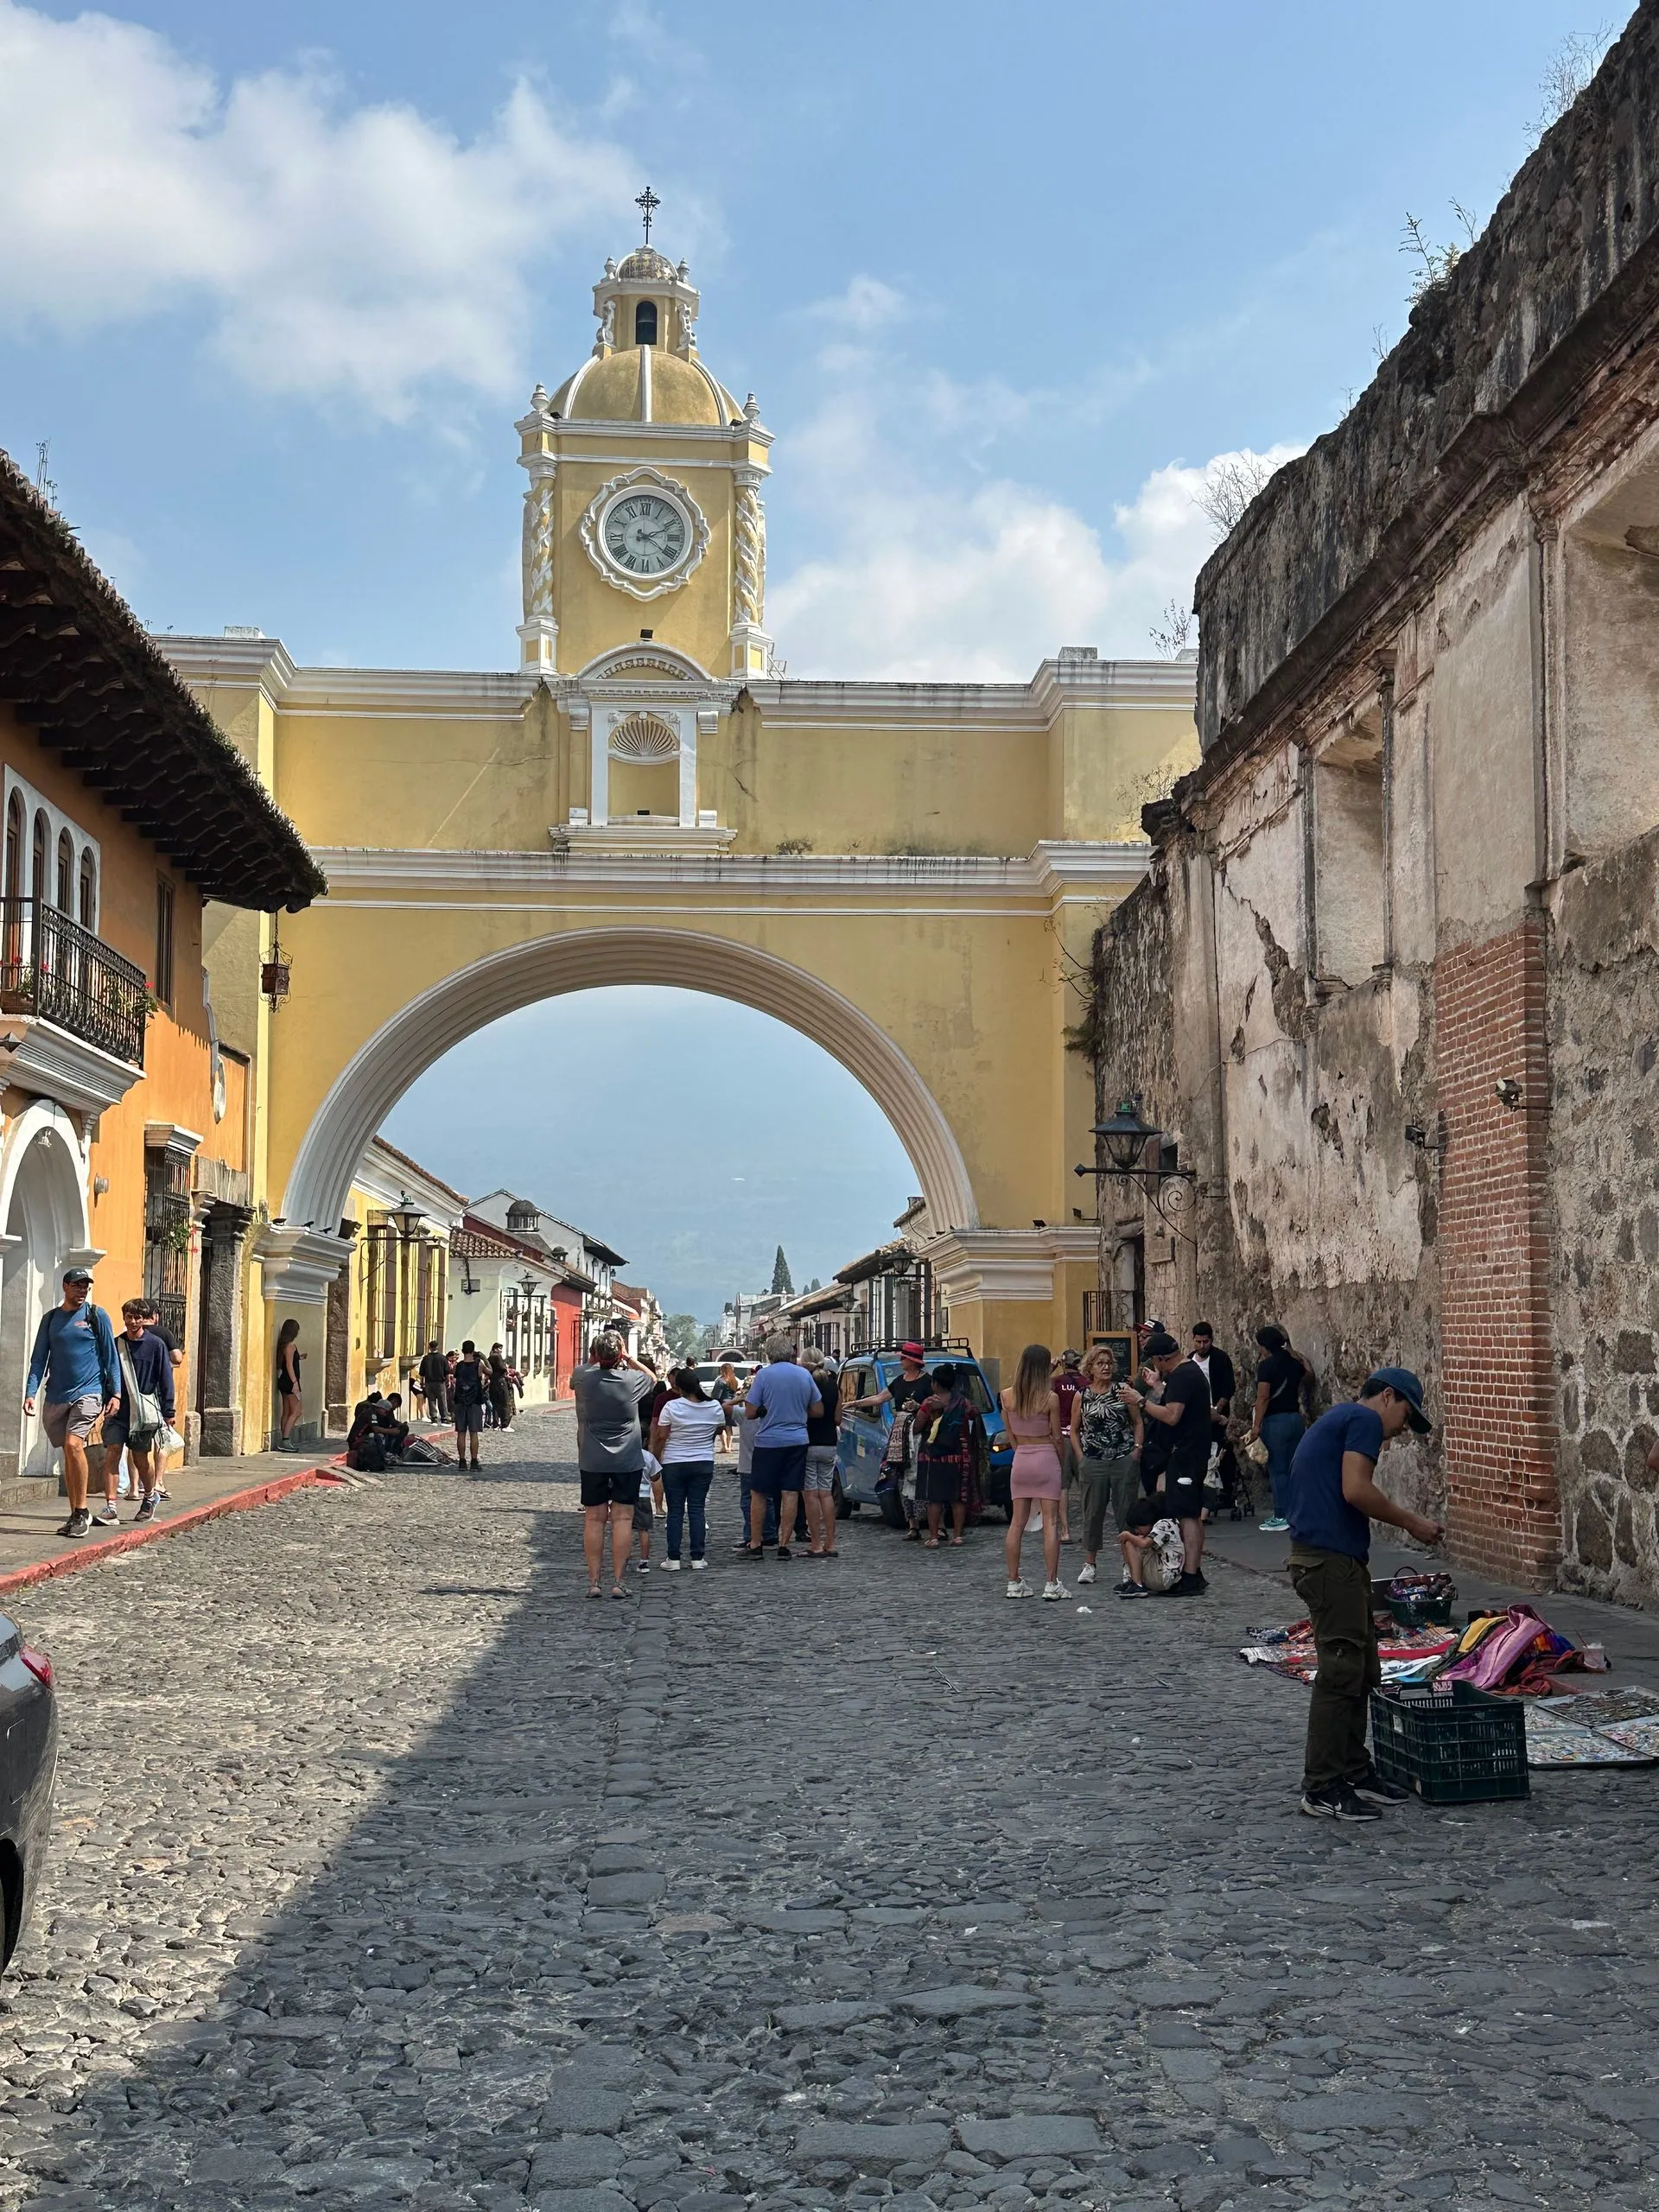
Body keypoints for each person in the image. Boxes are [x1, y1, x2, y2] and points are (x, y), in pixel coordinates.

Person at [1287, 1367, 1444, 1821]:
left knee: (1361, 1669)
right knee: (1341, 1672)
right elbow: (1355, 1489)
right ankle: (1322, 1786)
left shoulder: (1341, 1420)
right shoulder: (1363, 1419)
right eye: (1406, 1417)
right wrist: (1411, 1522)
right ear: (1388, 1396)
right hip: (1327, 1561)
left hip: (1334, 1560)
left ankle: (1354, 1770)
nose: (1402, 1430)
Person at [24, 1267, 120, 1541]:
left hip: (89, 1392)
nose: (82, 1290)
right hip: (57, 1395)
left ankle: (81, 1511)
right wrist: (31, 1392)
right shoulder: (51, 1319)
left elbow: (111, 1356)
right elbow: (38, 1359)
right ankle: (76, 1514)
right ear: (65, 1286)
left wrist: (116, 1393)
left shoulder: (96, 1315)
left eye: (85, 1286)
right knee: (68, 1452)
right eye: (77, 1285)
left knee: (73, 1444)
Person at [1118, 1330, 1211, 1596]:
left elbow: (1172, 1415)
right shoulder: (1188, 1372)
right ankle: (1194, 1573)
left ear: (1161, 1358)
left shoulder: (1182, 1376)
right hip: (1191, 1451)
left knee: (1187, 1515)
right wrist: (1158, 1387)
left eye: (1154, 1361)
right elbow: (1179, 1404)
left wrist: (1140, 1401)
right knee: (1189, 1512)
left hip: (1187, 1452)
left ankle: (1190, 1576)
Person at [571, 1332, 656, 1598]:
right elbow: (652, 1378)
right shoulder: (631, 1380)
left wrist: (595, 1357)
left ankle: (594, 1583)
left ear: (595, 1354)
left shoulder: (583, 1378)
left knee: (594, 1520)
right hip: (627, 1460)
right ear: (619, 1354)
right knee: (623, 1519)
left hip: (592, 1459)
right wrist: (628, 1357)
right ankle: (619, 1582)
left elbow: (583, 1370)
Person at [740, 1334, 820, 1560]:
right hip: (797, 1440)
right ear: (791, 1352)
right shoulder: (804, 1374)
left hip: (768, 1441)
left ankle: (756, 1544)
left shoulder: (764, 1375)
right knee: (790, 1492)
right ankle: (784, 1545)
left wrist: (765, 1410)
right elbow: (818, 1410)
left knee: (759, 1492)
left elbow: (750, 1411)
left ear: (769, 1354)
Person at [847, 1340, 935, 1538]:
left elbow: (936, 1407)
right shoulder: (899, 1381)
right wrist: (854, 1403)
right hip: (901, 1438)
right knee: (902, 1478)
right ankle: (913, 1525)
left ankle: (933, 1525)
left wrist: (919, 1407)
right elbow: (879, 1398)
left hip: (921, 1437)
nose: (901, 1360)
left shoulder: (928, 1382)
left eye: (903, 1358)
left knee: (921, 1478)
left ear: (913, 1361)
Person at [1001, 1344, 1068, 1600]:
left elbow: (1010, 1435)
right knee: (1051, 1522)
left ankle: (1013, 1581)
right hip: (1045, 1456)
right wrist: (1060, 1459)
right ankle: (1051, 1583)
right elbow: (1057, 1436)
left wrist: (1021, 1451)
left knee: (1017, 1522)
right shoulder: (1050, 1398)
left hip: (1022, 1458)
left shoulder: (1006, 1396)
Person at [1071, 1345, 1141, 1584]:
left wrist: (1136, 1451)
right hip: (1093, 1460)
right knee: (1092, 1512)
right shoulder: (1082, 1395)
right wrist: (1080, 1457)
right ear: (1090, 1368)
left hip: (1123, 1458)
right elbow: (1074, 1429)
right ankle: (1090, 1563)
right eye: (1100, 1363)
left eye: (1109, 1363)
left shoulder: (1123, 1391)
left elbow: (1137, 1422)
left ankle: (1128, 1563)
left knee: (1126, 1512)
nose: (1106, 1367)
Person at [650, 1365, 728, 1570]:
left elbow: (661, 1436)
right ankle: (697, 1558)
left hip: (674, 1462)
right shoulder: (714, 1406)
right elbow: (719, 1429)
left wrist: (655, 1458)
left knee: (675, 1511)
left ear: (678, 1388)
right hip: (703, 1461)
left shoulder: (671, 1407)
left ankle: (673, 1558)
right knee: (697, 1509)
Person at [106, 1297, 175, 1526]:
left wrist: (169, 1410)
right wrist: (107, 1399)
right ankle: (110, 1507)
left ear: (144, 1319)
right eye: (129, 1317)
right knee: (113, 1452)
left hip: (143, 1413)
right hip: (118, 1411)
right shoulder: (117, 1344)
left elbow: (165, 1378)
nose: (133, 1322)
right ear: (124, 1318)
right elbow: (108, 1375)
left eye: (137, 1317)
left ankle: (150, 1496)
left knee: (140, 1458)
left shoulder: (156, 1345)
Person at [914, 1359, 982, 1549]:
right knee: (957, 1498)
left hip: (933, 1456)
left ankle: (933, 1537)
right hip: (958, 1455)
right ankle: (958, 1536)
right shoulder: (963, 1402)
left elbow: (917, 1426)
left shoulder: (929, 1403)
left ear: (935, 1384)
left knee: (934, 1498)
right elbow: (973, 1417)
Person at [1250, 1324, 1310, 1533]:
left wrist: (1256, 1426)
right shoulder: (1293, 1363)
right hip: (1295, 1419)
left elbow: (1263, 1397)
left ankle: (1281, 1514)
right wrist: (1296, 1353)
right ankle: (1298, 1512)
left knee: (1278, 1470)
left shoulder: (1266, 1366)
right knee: (1294, 1468)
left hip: (1276, 1422)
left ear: (1264, 1346)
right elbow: (1309, 1376)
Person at [1189, 1322, 1238, 1513]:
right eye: (1198, 1342)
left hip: (1216, 1415)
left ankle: (1226, 1492)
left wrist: (1217, 1409)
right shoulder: (1189, 1361)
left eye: (1205, 1342)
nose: (1202, 1346)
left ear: (1211, 1340)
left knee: (1222, 1453)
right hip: (1195, 1417)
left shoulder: (1220, 1359)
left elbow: (1229, 1387)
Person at [799, 1348, 842, 1558]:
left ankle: (815, 1543)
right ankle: (831, 1543)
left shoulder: (805, 1383)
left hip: (808, 1442)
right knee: (826, 1493)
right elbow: (838, 1419)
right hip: (829, 1443)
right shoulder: (834, 1384)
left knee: (811, 1494)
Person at [1115, 1492, 1186, 1597]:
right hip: (1167, 1575)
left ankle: (1136, 1584)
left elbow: (1145, 1544)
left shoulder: (1164, 1525)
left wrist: (1128, 1536)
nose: (1137, 1531)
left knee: (1130, 1542)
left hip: (1164, 1577)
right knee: (1132, 1541)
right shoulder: (1170, 1523)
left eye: (1138, 1527)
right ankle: (1132, 1580)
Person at [1051, 1349, 1086, 1544]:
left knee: (1062, 1486)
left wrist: (1050, 1368)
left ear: (1063, 1364)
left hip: (1063, 1436)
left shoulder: (1056, 1382)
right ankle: (1087, 1529)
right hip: (1083, 1437)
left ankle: (1065, 1531)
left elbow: (1038, 1389)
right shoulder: (1087, 1383)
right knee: (1085, 1485)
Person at [452, 1340, 489, 1471]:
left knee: (461, 1433)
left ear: (463, 1351)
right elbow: (490, 1372)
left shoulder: (458, 1366)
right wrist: (483, 1358)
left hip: (460, 1401)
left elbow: (453, 1373)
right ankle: (473, 1462)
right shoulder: (479, 1364)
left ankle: (462, 1461)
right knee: (474, 1433)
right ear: (473, 1351)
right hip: (475, 1401)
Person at [274, 1318, 303, 1448]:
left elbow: (287, 1362)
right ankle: (286, 1439)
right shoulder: (291, 1345)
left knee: (286, 1411)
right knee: (297, 1411)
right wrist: (295, 1383)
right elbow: (289, 1365)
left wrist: (299, 1358)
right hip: (291, 1381)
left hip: (283, 1381)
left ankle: (283, 1440)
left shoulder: (283, 1345)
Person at [631, 1449, 660, 1573]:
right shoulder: (648, 1456)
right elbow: (655, 1476)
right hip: (643, 1496)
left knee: (623, 1529)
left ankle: (622, 1559)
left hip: (624, 1495)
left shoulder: (622, 1453)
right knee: (644, 1530)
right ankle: (644, 1561)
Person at [418, 1340, 448, 1427]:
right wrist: (447, 1381)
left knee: (431, 1400)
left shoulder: (426, 1358)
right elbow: (447, 1371)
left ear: (429, 1347)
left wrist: (422, 1383)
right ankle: (444, 1418)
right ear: (437, 1347)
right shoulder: (442, 1358)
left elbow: (421, 1373)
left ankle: (434, 1418)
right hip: (440, 1382)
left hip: (429, 1382)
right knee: (442, 1400)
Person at [713, 1362, 741, 1453]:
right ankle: (730, 1445)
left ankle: (725, 1446)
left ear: (723, 1371)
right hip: (733, 1405)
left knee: (721, 1427)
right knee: (729, 1427)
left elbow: (716, 1396)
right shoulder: (734, 1381)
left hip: (723, 1405)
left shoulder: (720, 1381)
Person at [487, 1343, 513, 1432]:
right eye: (499, 1348)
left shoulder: (490, 1357)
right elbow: (502, 1368)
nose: (501, 1350)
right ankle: (505, 1424)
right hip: (500, 1381)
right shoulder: (497, 1356)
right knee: (505, 1402)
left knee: (495, 1404)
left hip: (493, 1382)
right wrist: (506, 1368)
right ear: (495, 1349)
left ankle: (495, 1424)